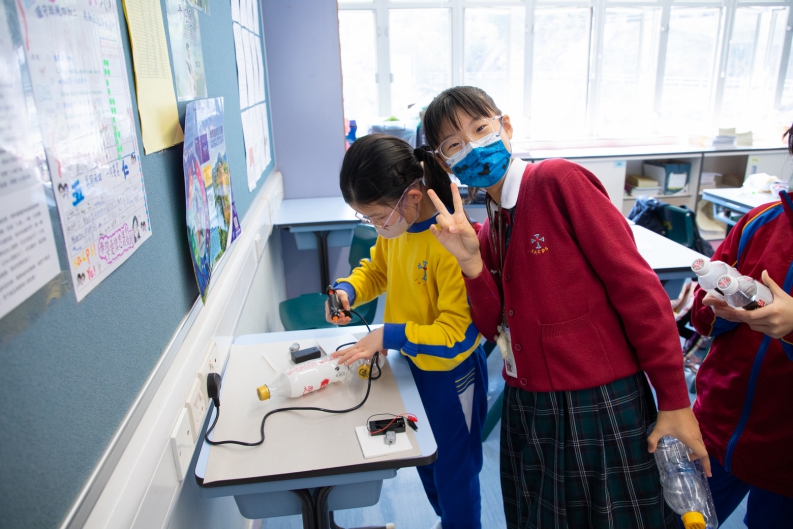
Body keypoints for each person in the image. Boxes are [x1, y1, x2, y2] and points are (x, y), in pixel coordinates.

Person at [422, 86, 709, 528]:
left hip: (597, 400)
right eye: (455, 144)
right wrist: (471, 265)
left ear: (506, 126)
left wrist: (674, 400)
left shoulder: (557, 181)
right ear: (445, 162)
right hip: (530, 406)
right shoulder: (489, 223)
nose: (474, 147)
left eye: (480, 129)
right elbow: (490, 324)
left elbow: (638, 290)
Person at [329, 134, 487, 529]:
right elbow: (378, 270)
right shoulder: (399, 228)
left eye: (377, 217)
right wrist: (349, 290)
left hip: (453, 377)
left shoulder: (451, 242)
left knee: (455, 475)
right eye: (366, 218)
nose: (376, 226)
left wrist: (389, 335)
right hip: (414, 366)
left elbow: (456, 336)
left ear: (413, 197)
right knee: (426, 460)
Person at [687, 128, 793, 527]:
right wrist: (716, 308)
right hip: (717, 427)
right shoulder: (759, 223)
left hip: (785, 458)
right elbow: (702, 319)